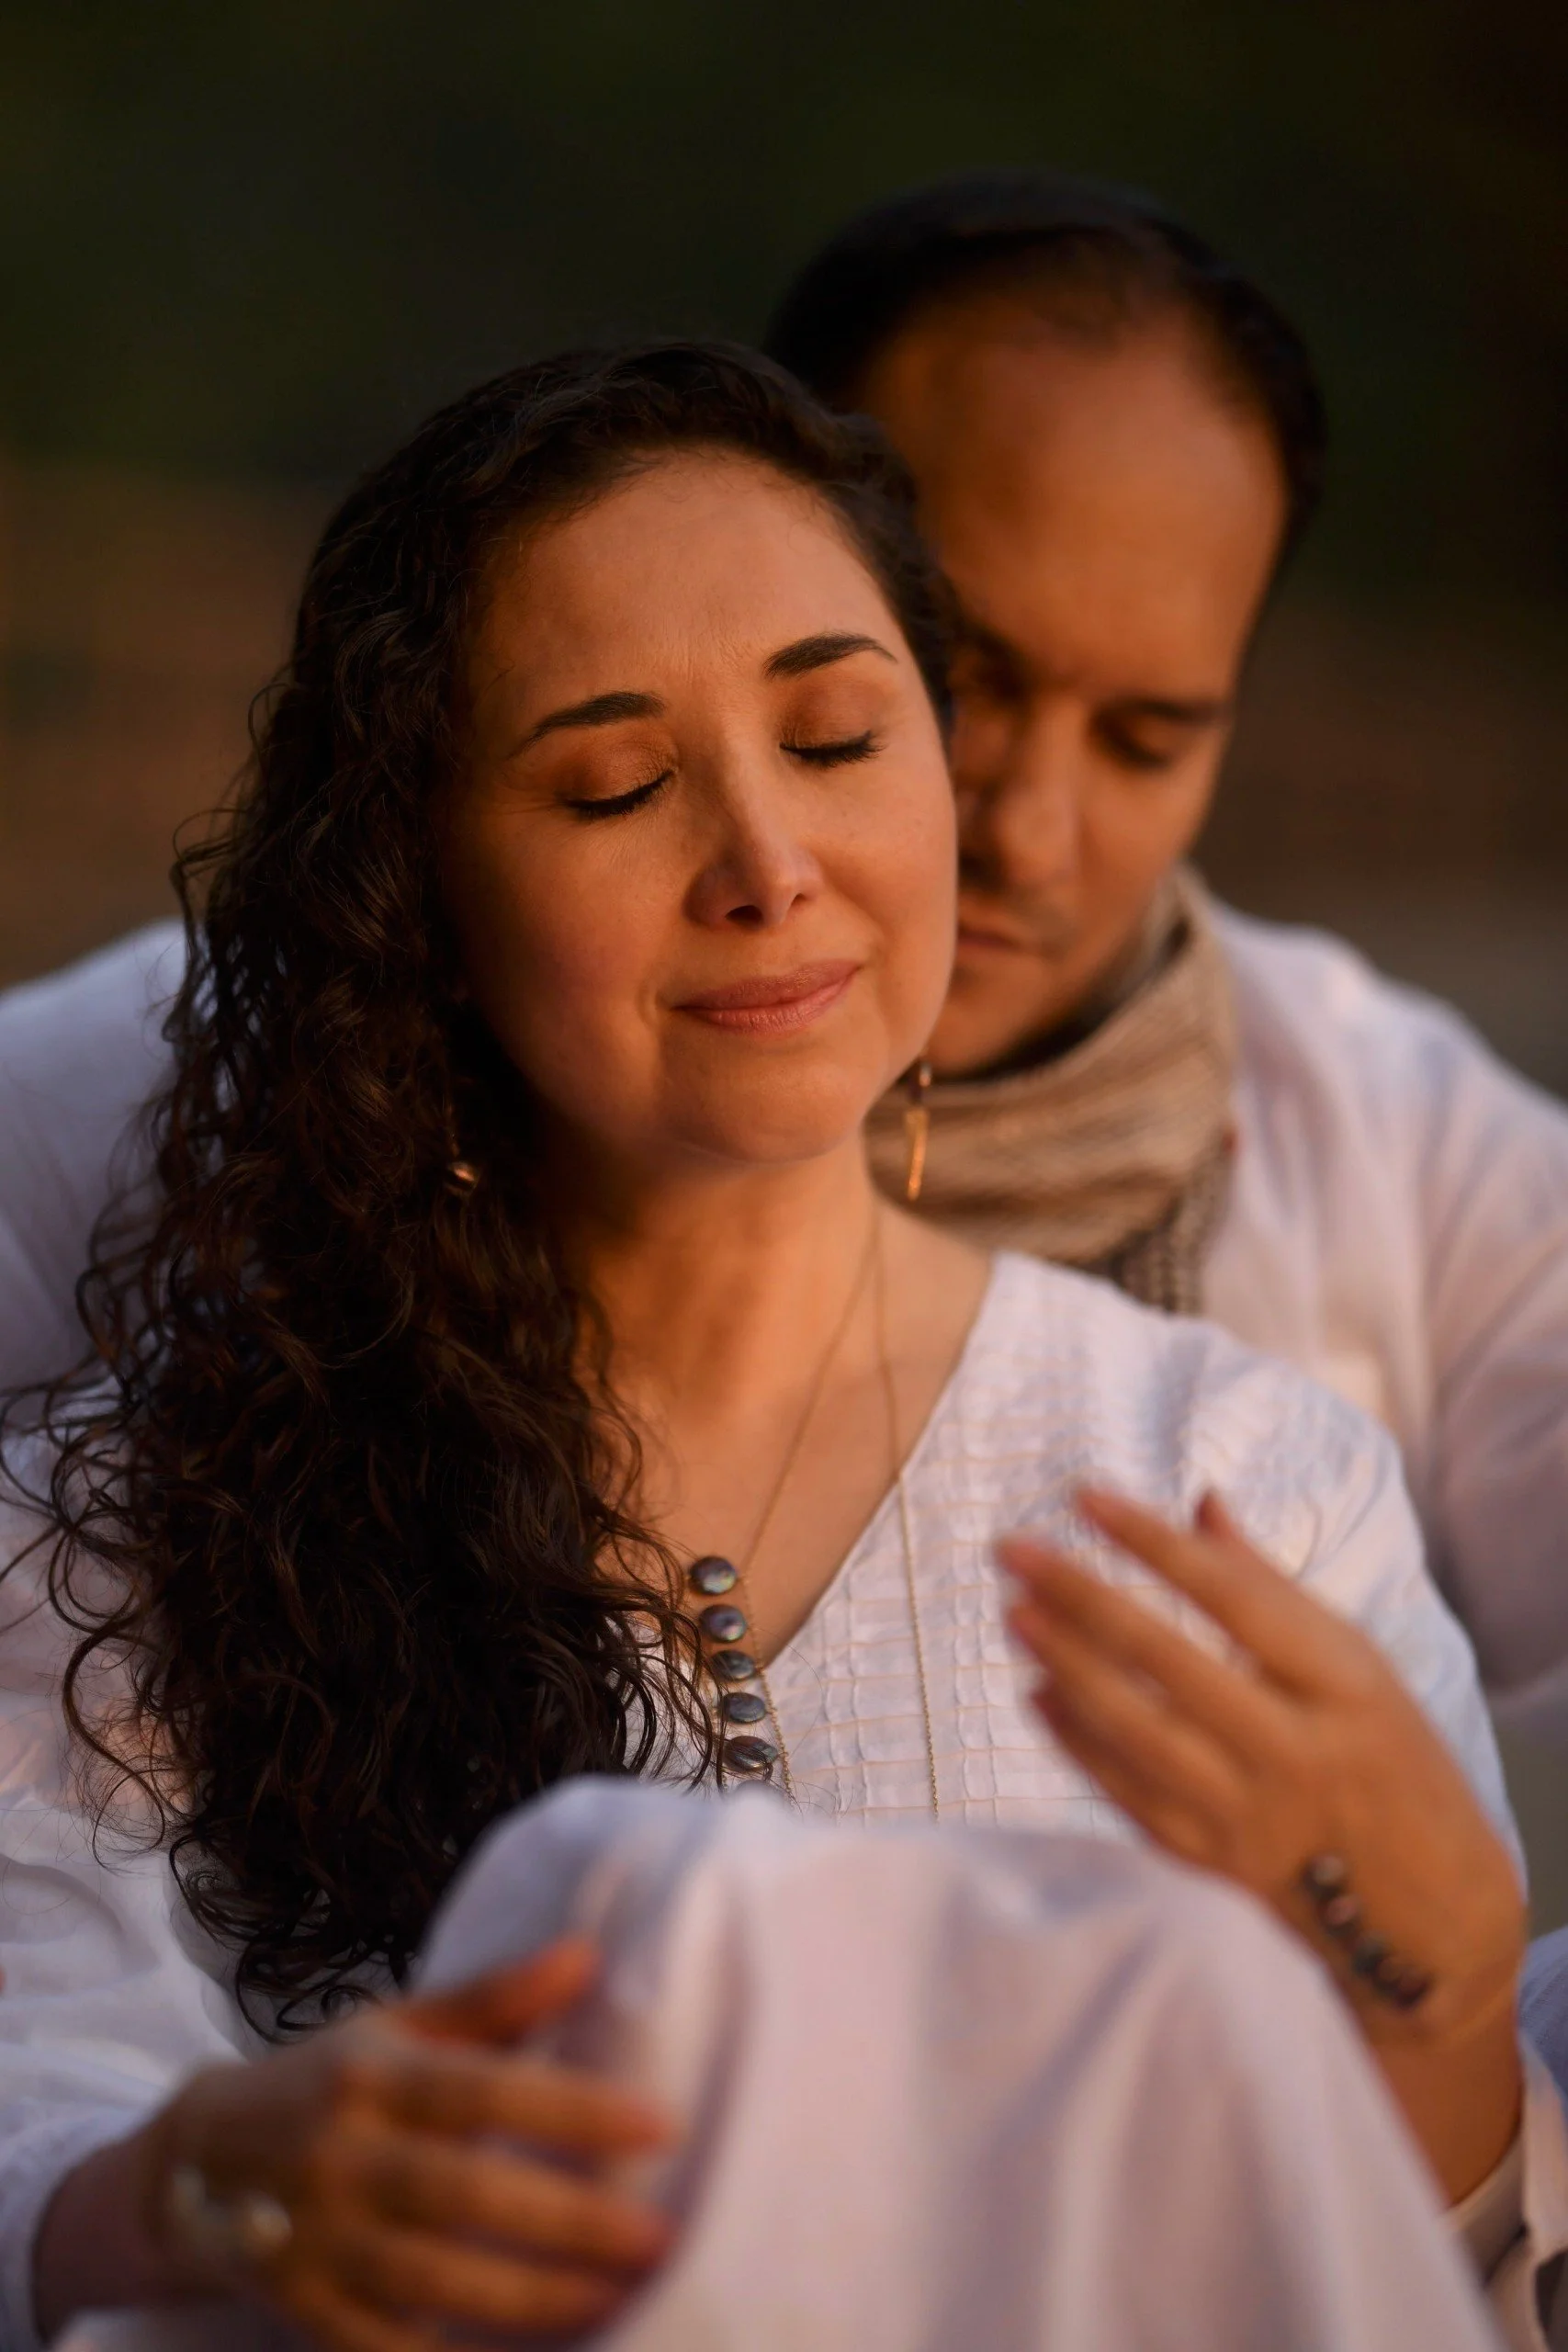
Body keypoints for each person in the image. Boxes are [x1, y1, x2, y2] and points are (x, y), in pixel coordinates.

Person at [0, 343, 1556, 2349]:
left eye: (834, 738)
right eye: (616, 783)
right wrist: (230, 2177)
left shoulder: (1243, 1486)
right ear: (423, 895)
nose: (766, 863)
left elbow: (1390, 2260)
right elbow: (37, 2104)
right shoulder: (137, 1518)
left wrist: (1433, 1984)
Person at [762, 171, 1568, 1739]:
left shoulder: (1397, 1152)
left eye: (1142, 741)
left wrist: (1448, 1972)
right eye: (959, 674)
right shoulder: (254, 1077)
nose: (1029, 833)